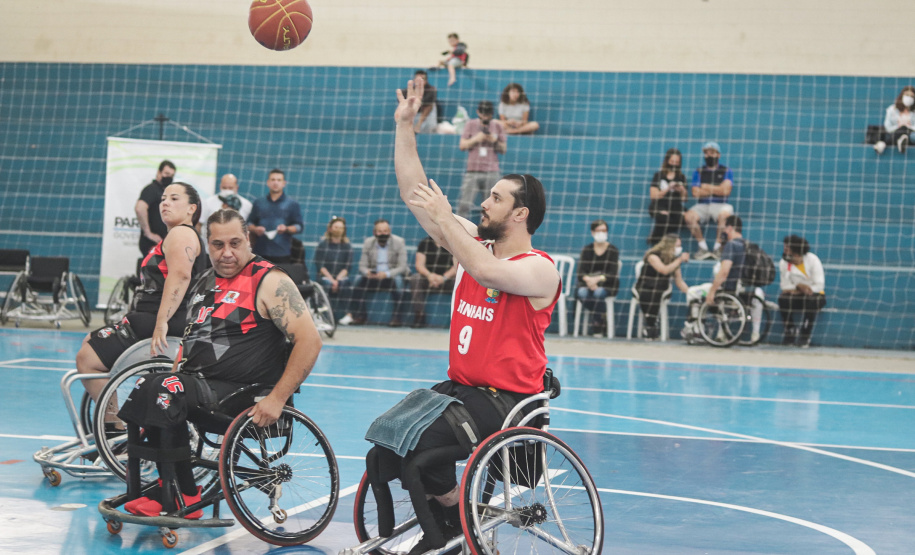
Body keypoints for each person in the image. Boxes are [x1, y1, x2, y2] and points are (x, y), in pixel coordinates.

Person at [362, 77, 560, 554]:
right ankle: (452, 504)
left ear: (520, 214)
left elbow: (485, 268)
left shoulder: (539, 269)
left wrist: (449, 222)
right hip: (460, 391)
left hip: (506, 400)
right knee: (384, 443)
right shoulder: (475, 240)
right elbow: (415, 195)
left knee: (421, 447)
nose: (485, 201)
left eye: (495, 197)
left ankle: (446, 528)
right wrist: (405, 126)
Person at [116, 208, 323, 518]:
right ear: (208, 244)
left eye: (235, 243)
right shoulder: (204, 280)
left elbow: (310, 341)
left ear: (248, 240)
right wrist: (171, 374)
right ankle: (162, 486)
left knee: (169, 391)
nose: (227, 253)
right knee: (147, 385)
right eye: (217, 245)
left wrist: (277, 398)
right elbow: (189, 342)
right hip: (199, 385)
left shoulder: (269, 280)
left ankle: (185, 493)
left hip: (243, 394)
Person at [77, 183, 207, 427]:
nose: (165, 203)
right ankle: (114, 425)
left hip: (162, 321)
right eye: (163, 198)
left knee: (87, 359)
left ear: (192, 208)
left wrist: (161, 322)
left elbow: (180, 277)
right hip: (150, 317)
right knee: (88, 344)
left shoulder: (182, 233)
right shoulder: (175, 235)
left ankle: (115, 428)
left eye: (174, 198)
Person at [682, 215, 745, 341]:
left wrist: (712, 292)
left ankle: (697, 330)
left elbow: (724, 272)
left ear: (730, 228)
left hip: (726, 288)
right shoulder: (745, 245)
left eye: (724, 229)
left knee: (692, 292)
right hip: (740, 287)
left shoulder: (731, 245)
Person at [345, 219, 409, 327]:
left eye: (385, 231)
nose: (383, 233)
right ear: (374, 233)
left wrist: (387, 274)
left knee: (399, 283)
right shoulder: (368, 243)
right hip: (373, 277)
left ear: (389, 231)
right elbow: (362, 266)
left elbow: (402, 267)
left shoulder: (399, 242)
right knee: (357, 281)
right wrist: (368, 273)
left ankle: (396, 318)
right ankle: (360, 315)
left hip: (391, 276)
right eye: (379, 231)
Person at [456, 100, 507, 219]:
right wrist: (477, 138)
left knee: (492, 206)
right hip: (473, 171)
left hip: (491, 171)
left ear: (492, 114)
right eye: (483, 114)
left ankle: (488, 234)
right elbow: (462, 145)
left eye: (488, 114)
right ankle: (458, 230)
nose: (485, 117)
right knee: (464, 204)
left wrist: (494, 141)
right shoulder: (470, 124)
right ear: (478, 112)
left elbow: (503, 149)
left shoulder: (497, 126)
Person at [684, 142, 734, 260]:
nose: (708, 155)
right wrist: (718, 188)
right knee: (689, 216)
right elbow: (696, 193)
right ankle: (703, 248)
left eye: (711, 152)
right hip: (703, 205)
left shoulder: (726, 170)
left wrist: (706, 187)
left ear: (718, 154)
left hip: (721, 204)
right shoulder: (699, 171)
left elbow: (726, 191)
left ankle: (718, 248)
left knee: (725, 216)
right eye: (706, 153)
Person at [635, 234, 690, 339]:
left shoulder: (673, 260)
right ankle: (651, 323)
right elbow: (664, 270)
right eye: (677, 246)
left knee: (657, 291)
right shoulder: (653, 255)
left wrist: (691, 292)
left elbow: (679, 281)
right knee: (648, 293)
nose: (679, 249)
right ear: (669, 246)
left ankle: (652, 323)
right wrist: (679, 260)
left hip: (660, 286)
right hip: (645, 284)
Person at [778, 235, 826, 347]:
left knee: (812, 301)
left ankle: (805, 335)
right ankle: (790, 330)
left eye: (787, 247)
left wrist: (805, 289)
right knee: (783, 300)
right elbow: (785, 286)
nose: (784, 250)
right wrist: (800, 288)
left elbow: (819, 285)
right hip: (796, 296)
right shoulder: (784, 263)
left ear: (796, 250)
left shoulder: (813, 260)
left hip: (815, 295)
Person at [247, 169, 304, 264]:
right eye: (273, 180)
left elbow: (299, 227)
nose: (275, 182)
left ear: (284, 183)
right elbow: (249, 223)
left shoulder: (292, 204)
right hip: (260, 252)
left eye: (279, 180)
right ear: (268, 182)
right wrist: (256, 229)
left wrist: (286, 229)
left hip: (281, 253)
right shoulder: (258, 203)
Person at [575, 219, 620, 336]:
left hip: (606, 285)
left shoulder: (612, 250)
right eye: (598, 230)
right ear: (592, 232)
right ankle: (600, 318)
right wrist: (589, 280)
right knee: (582, 293)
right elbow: (580, 272)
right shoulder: (587, 249)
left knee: (598, 293)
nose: (601, 233)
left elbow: (613, 274)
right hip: (587, 283)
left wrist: (598, 279)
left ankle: (597, 322)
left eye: (604, 230)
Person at [408, 236, 457, 328]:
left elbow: (457, 265)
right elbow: (419, 265)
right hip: (428, 278)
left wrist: (444, 278)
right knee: (415, 279)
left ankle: (457, 317)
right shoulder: (424, 243)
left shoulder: (452, 242)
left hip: (447, 279)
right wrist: (429, 276)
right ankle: (420, 315)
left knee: (459, 281)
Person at [313, 216, 353, 318]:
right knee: (325, 284)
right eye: (336, 227)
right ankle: (324, 314)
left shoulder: (347, 246)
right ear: (330, 228)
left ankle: (347, 314)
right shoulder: (323, 244)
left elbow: (347, 267)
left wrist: (337, 280)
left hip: (340, 277)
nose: (338, 230)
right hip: (326, 276)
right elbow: (320, 266)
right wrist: (332, 280)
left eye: (341, 228)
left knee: (345, 283)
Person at [135, 160, 176, 255]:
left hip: (162, 242)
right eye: (166, 173)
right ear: (159, 172)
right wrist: (148, 233)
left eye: (171, 175)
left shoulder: (165, 192)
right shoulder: (151, 189)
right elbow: (140, 208)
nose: (168, 177)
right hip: (152, 243)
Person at [648, 148, 688, 245]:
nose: (674, 164)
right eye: (672, 161)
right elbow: (653, 196)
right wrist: (668, 188)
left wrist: (682, 190)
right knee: (663, 217)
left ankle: (661, 240)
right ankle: (655, 241)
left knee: (683, 218)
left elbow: (684, 199)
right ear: (667, 161)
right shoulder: (659, 175)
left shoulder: (681, 177)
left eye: (677, 162)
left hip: (675, 206)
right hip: (659, 204)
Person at [198, 174, 253, 239]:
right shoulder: (207, 203)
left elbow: (249, 228)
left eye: (230, 188)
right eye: (224, 188)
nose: (227, 190)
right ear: (220, 186)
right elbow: (199, 224)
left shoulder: (246, 205)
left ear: (236, 187)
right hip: (211, 244)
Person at [874, 86, 915, 154]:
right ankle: (900, 139)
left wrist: (907, 127)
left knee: (906, 129)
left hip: (910, 135)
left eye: (912, 96)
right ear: (902, 95)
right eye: (907, 95)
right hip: (893, 133)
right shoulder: (892, 109)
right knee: (902, 128)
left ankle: (884, 143)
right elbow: (888, 127)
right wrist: (899, 127)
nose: (909, 98)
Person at [411, 70, 438, 134]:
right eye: (417, 80)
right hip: (413, 114)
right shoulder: (409, 91)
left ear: (426, 81)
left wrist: (419, 123)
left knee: (431, 105)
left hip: (426, 116)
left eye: (422, 79)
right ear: (414, 80)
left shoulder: (432, 90)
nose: (419, 82)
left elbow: (428, 105)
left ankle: (418, 125)